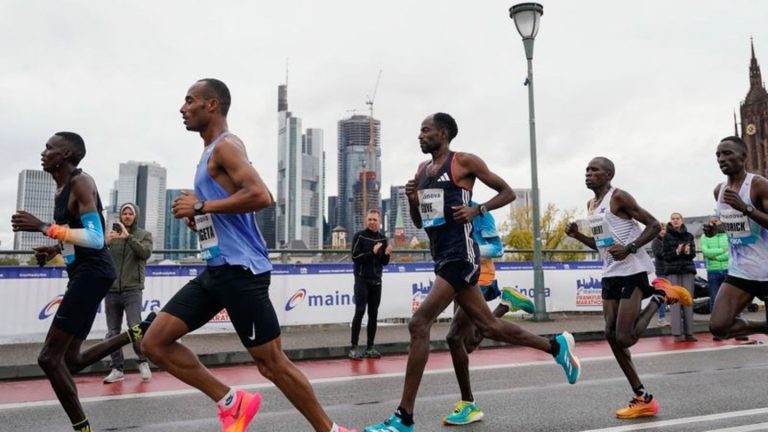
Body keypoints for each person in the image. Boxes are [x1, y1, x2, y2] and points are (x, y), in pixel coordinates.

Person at [140, 79, 355, 432]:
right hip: (217, 269)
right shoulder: (209, 152)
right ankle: (231, 401)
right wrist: (201, 220)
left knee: (271, 364)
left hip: (242, 271)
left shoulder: (227, 147)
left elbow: (262, 196)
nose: (182, 108)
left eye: (189, 100)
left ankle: (330, 430)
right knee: (155, 343)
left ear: (211, 105)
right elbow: (232, 212)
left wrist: (201, 204)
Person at [365, 113, 580, 432]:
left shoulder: (463, 162)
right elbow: (421, 223)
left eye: (425, 130)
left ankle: (404, 418)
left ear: (443, 132)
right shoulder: (422, 171)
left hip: (461, 256)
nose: (420, 135)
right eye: (419, 131)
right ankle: (555, 346)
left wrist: (478, 210)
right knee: (489, 326)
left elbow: (507, 191)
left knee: (418, 323)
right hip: (442, 256)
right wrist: (412, 200)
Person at [11, 132, 155, 432]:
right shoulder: (60, 188)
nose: (44, 151)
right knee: (72, 360)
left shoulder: (81, 182)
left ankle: (82, 428)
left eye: (50, 147)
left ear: (66, 154)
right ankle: (136, 332)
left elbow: (96, 237)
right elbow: (75, 234)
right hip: (85, 273)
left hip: (93, 273)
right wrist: (53, 249)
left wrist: (43, 228)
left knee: (49, 359)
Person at [565, 156, 691, 420]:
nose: (588, 173)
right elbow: (603, 245)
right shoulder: (591, 205)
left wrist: (631, 248)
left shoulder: (619, 197)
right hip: (610, 273)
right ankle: (642, 397)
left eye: (594, 170)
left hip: (632, 272)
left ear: (608, 174)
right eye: (586, 169)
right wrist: (577, 235)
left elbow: (655, 225)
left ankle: (659, 295)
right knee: (611, 335)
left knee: (624, 338)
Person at [442, 201, 534, 426]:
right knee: (468, 344)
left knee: (455, 339)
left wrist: (466, 250)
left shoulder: (480, 212)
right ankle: (506, 303)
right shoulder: (444, 209)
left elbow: (497, 249)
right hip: (457, 277)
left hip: (478, 278)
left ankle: (468, 405)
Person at [706, 136, 768, 343]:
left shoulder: (759, 185)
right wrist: (715, 229)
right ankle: (764, 327)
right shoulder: (720, 191)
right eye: (718, 155)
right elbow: (734, 224)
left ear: (743, 157)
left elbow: (747, 215)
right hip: (742, 271)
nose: (721, 159)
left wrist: (746, 208)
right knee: (718, 327)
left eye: (727, 153)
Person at [103, 202, 154, 383]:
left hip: (133, 289)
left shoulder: (144, 235)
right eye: (124, 213)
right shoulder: (111, 235)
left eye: (130, 213)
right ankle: (117, 368)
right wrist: (104, 244)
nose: (126, 216)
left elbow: (145, 253)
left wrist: (128, 237)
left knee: (136, 328)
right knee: (112, 332)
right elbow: (98, 257)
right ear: (120, 216)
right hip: (111, 290)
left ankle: (142, 362)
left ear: (135, 216)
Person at [349, 208, 391, 360]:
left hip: (377, 281)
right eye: (370, 220)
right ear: (366, 221)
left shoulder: (383, 239)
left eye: (375, 220)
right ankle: (354, 347)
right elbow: (355, 257)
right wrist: (372, 253)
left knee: (373, 314)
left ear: (379, 222)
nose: (372, 222)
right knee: (360, 311)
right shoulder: (359, 236)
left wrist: (387, 255)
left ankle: (370, 347)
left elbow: (384, 263)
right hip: (361, 280)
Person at [662, 212, 697, 342]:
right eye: (673, 219)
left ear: (682, 220)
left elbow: (693, 254)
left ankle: (689, 333)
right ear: (670, 221)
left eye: (677, 219)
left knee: (688, 301)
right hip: (673, 271)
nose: (675, 221)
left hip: (687, 270)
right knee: (675, 302)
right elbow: (665, 256)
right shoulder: (666, 236)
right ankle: (677, 334)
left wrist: (687, 252)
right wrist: (676, 252)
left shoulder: (689, 236)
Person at [700, 216, 729, 314]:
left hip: (728, 270)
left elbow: (730, 253)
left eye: (716, 221)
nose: (714, 223)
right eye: (711, 222)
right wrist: (722, 251)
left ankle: (732, 319)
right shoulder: (704, 236)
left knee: (730, 297)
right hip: (713, 271)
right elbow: (706, 252)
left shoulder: (728, 234)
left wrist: (716, 257)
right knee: (714, 298)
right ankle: (715, 320)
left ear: (720, 222)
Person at [651, 223, 669, 326]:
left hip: (670, 271)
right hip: (661, 271)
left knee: (672, 295)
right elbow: (660, 254)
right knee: (661, 295)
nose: (663, 231)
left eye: (664, 229)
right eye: (661, 229)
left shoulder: (668, 241)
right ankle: (661, 318)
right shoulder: (656, 242)